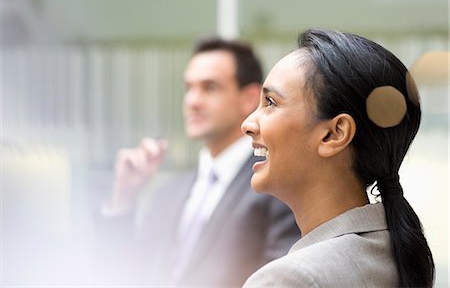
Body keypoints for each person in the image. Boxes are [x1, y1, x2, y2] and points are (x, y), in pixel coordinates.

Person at [97, 37, 300, 287]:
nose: (192, 101)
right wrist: (124, 195)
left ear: (249, 98)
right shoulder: (169, 192)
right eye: (189, 88)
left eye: (210, 87)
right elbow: (117, 272)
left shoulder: (277, 188)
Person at [241, 29, 434, 287]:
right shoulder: (394, 255)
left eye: (271, 103)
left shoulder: (291, 279)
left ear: (334, 134)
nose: (247, 124)